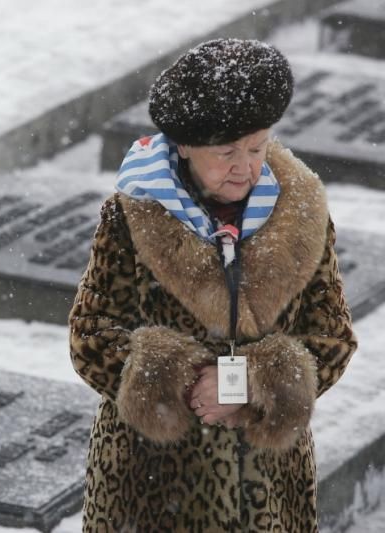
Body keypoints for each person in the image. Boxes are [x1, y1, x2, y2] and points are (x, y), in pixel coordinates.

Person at [68, 38, 357, 532]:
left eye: (257, 146)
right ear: (184, 146)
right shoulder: (133, 214)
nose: (245, 166)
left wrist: (255, 383)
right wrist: (171, 379)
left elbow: (331, 336)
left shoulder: (300, 210)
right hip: (149, 485)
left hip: (266, 488)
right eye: (226, 152)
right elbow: (90, 333)